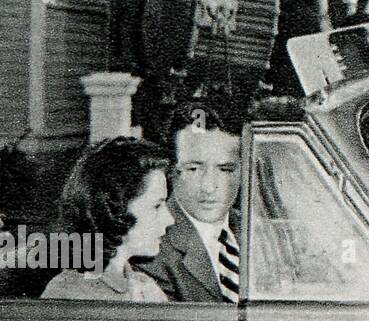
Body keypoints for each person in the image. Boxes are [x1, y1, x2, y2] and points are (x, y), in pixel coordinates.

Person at [42, 137, 173, 302]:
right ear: (115, 208)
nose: (169, 219)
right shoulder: (68, 294)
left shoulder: (145, 286)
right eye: (157, 206)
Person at [141, 102, 242, 304]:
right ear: (170, 170)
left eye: (225, 170)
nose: (209, 187)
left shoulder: (258, 229)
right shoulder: (148, 248)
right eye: (193, 169)